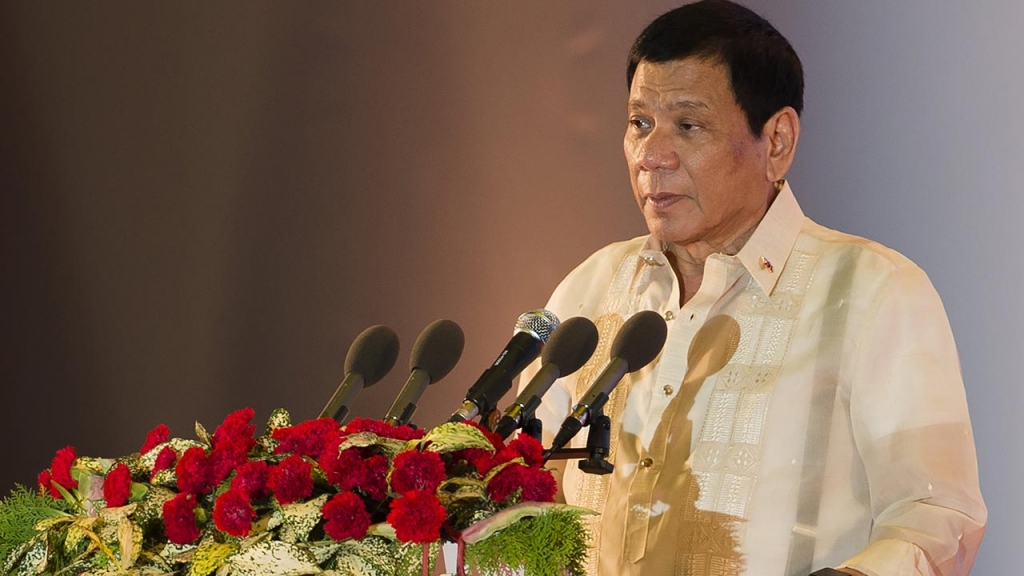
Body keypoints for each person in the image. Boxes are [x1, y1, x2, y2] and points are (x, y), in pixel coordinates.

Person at [523, 1, 987, 575]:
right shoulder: (590, 289)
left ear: (777, 141)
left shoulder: (873, 292)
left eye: (688, 126)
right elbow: (525, 491)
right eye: (640, 122)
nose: (650, 156)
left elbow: (935, 515)